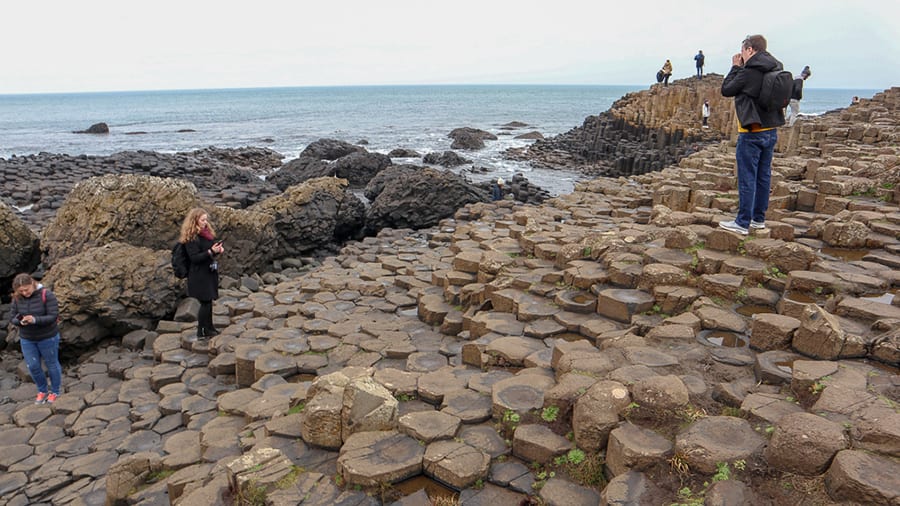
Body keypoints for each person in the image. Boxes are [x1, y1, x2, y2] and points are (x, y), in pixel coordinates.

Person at [719, 34, 786, 235]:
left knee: (747, 176)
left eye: (742, 52)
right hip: (771, 130)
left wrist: (735, 67)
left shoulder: (748, 72)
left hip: (751, 131)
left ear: (749, 50)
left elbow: (726, 89)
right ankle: (758, 219)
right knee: (763, 176)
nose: (741, 55)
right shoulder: (777, 67)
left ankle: (742, 222)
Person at [9, 273, 62, 404]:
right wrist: (19, 322)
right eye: (21, 291)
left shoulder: (46, 295)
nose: (24, 293)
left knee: (52, 364)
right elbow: (12, 316)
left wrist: (34, 320)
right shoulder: (17, 298)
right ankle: (42, 390)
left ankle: (55, 391)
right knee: (32, 366)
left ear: (32, 284)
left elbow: (53, 316)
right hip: (27, 338)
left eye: (26, 289)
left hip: (47, 336)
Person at [179, 208, 225, 338]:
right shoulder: (191, 237)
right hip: (198, 274)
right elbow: (194, 258)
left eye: (206, 219)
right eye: (202, 220)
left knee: (209, 302)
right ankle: (201, 331)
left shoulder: (206, 233)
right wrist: (210, 251)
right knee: (205, 302)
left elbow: (209, 252)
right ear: (195, 220)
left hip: (209, 271)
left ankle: (209, 328)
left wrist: (217, 250)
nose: (205, 222)